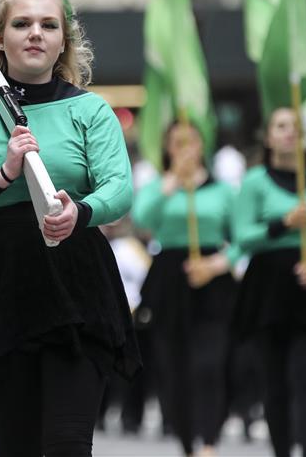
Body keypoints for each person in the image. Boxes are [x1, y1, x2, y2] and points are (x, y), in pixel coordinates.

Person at [0, 0, 140, 457]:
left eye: (48, 24)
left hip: (75, 275)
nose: (35, 33)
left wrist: (80, 212)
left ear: (65, 39)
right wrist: (0, 176)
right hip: (3, 280)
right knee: (18, 447)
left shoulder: (91, 111)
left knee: (67, 444)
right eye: (22, 24)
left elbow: (119, 191)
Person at [223, 108, 306, 457]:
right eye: (281, 127)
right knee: (274, 383)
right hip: (268, 288)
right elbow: (242, 236)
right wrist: (283, 223)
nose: (290, 133)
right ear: (269, 136)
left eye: (296, 127)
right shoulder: (254, 182)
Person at [132, 121, 236, 456]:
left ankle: (209, 440)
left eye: (190, 142)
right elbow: (142, 218)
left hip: (211, 278)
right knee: (174, 368)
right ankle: (187, 441)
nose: (184, 149)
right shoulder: (158, 187)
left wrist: (217, 264)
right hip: (170, 279)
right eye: (176, 143)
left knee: (209, 365)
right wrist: (172, 182)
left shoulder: (222, 191)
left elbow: (242, 237)